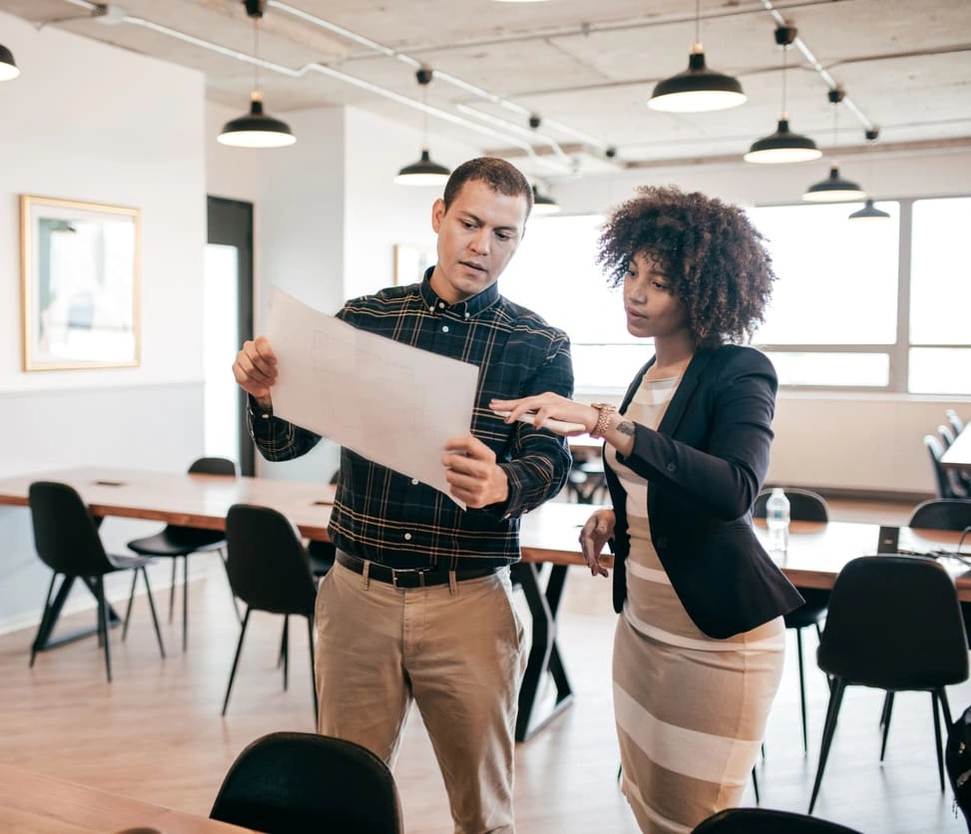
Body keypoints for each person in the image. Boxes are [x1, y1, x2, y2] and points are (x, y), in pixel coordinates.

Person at [232, 157, 573, 834]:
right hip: (358, 597)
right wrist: (269, 397)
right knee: (337, 804)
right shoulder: (363, 319)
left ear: (520, 240)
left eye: (504, 234)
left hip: (471, 602)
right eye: (471, 223)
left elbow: (551, 457)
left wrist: (509, 482)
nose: (483, 246)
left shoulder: (539, 344)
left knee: (484, 815)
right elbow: (284, 446)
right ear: (439, 217)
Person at [492, 185, 804, 834]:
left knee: (697, 817)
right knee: (646, 802)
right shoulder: (649, 376)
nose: (635, 293)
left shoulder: (741, 370)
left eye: (658, 282)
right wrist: (619, 515)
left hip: (715, 640)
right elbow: (657, 480)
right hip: (642, 627)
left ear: (703, 291)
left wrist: (609, 425)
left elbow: (734, 488)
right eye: (630, 273)